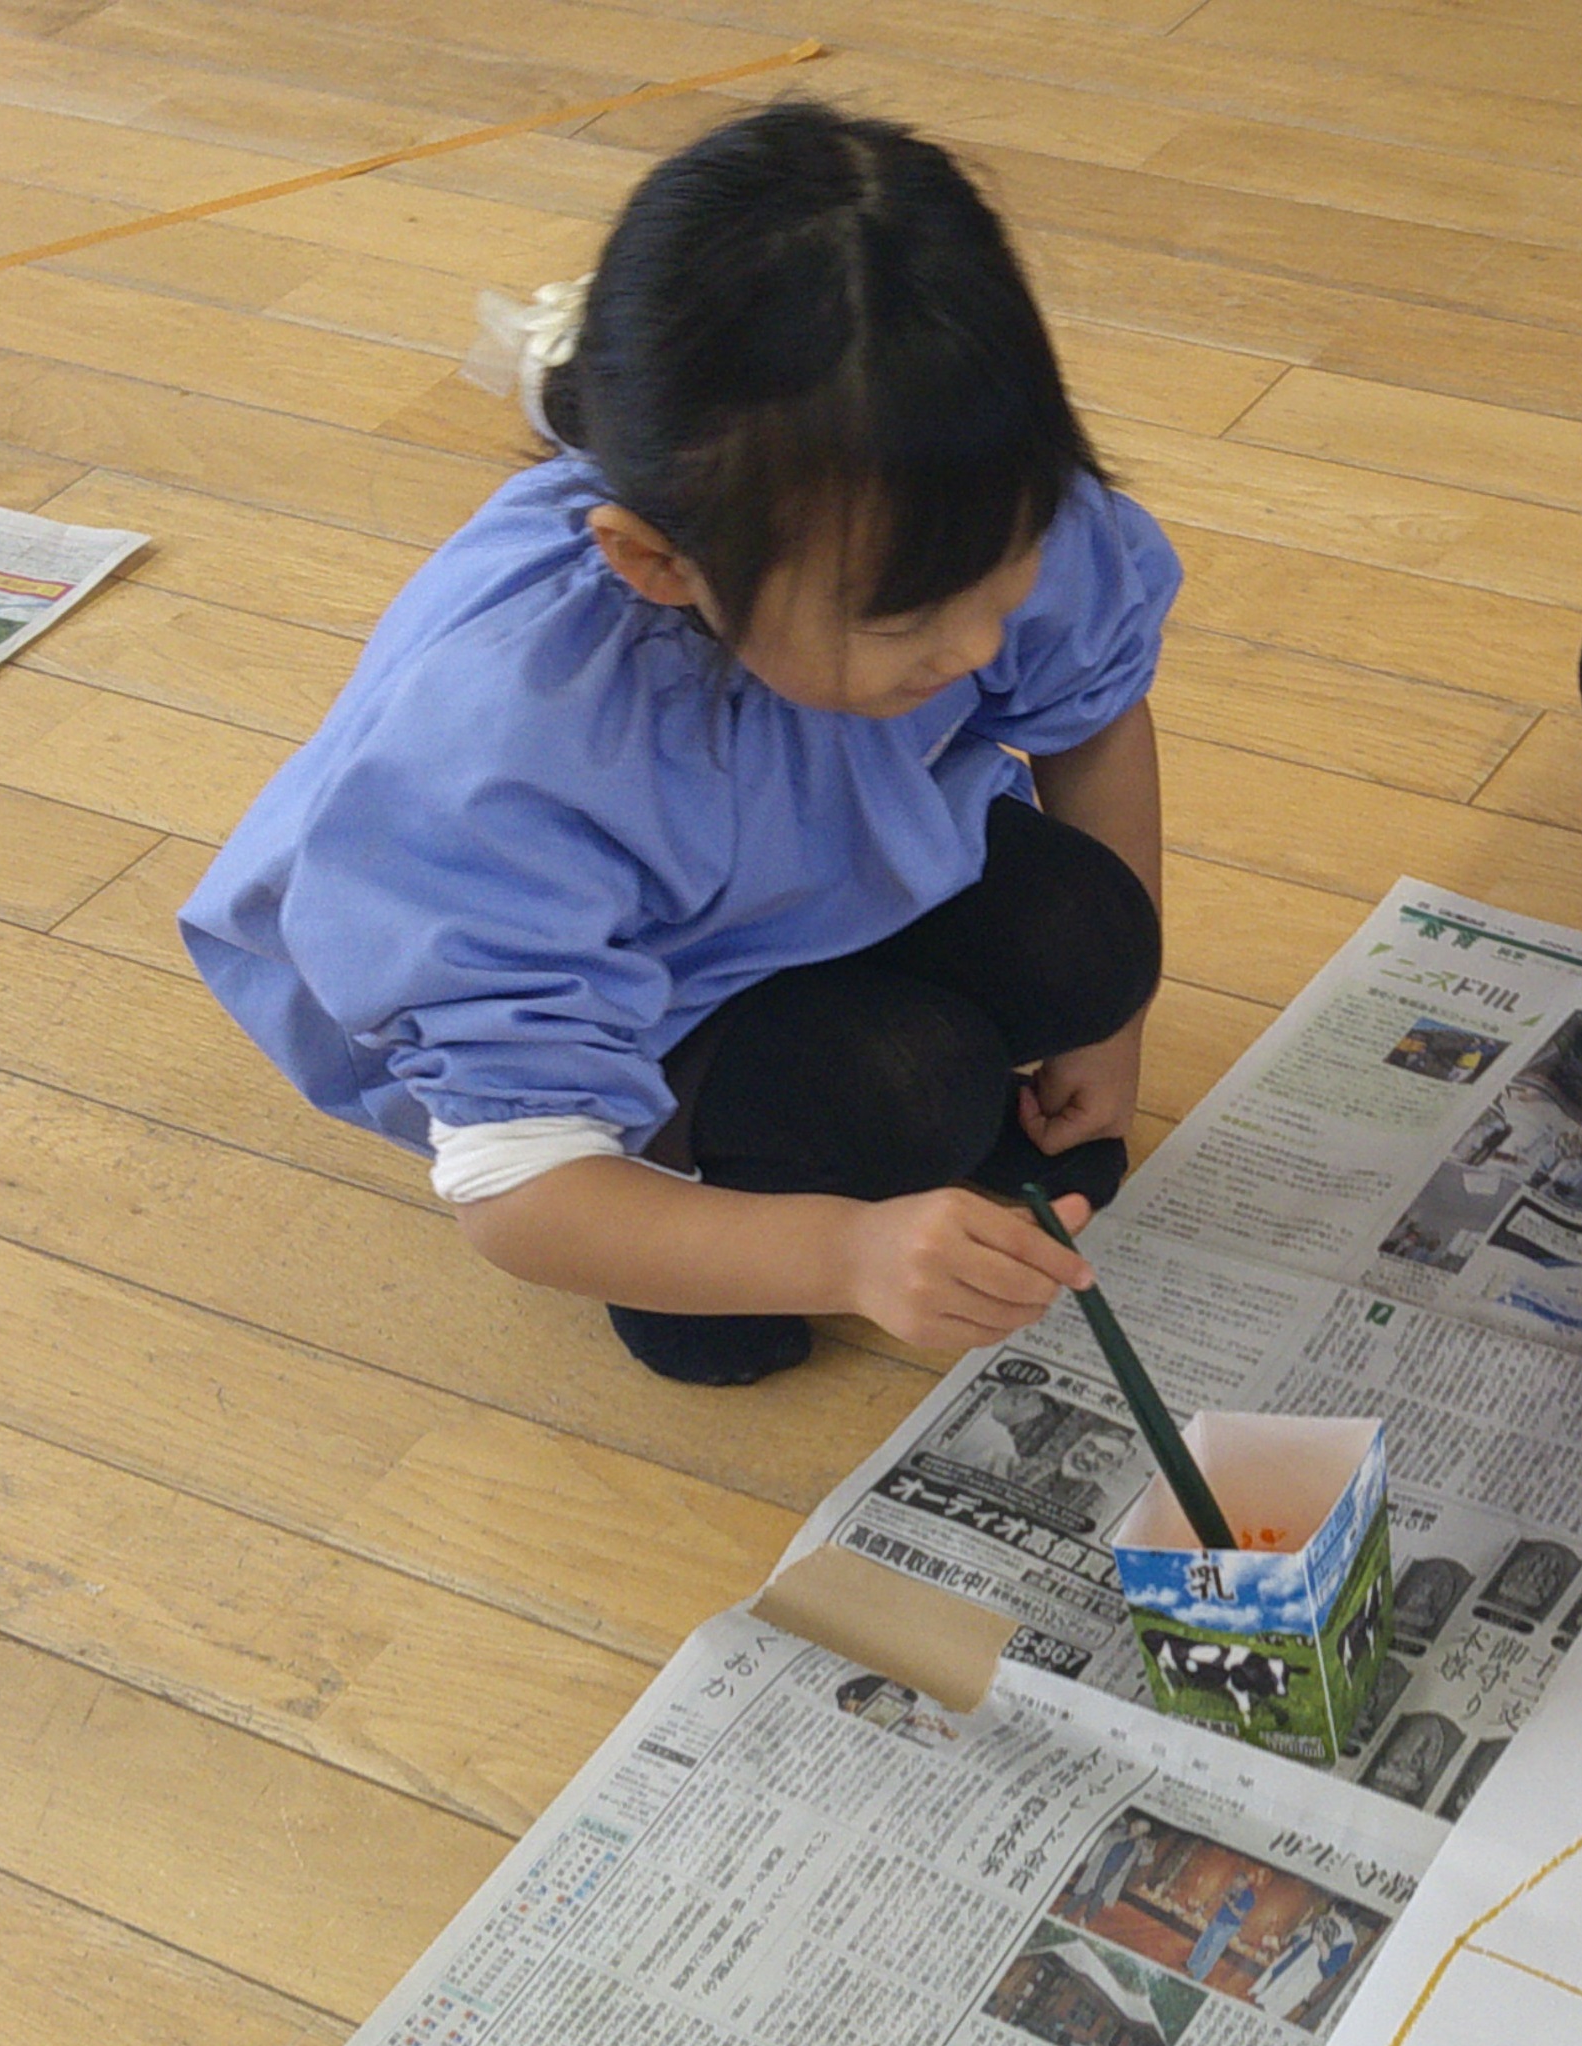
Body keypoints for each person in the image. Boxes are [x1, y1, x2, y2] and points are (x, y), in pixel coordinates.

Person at [183, 103, 1177, 1385]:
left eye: (1010, 570)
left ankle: (852, 1134)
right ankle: (688, 1221)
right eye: (909, 620)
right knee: (900, 1092)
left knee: (1091, 944)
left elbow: (1092, 715)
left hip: (789, 864)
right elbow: (517, 1192)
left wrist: (1111, 1033)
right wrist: (845, 1255)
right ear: (657, 564)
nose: (982, 643)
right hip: (609, 1000)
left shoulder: (962, 496)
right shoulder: (506, 758)